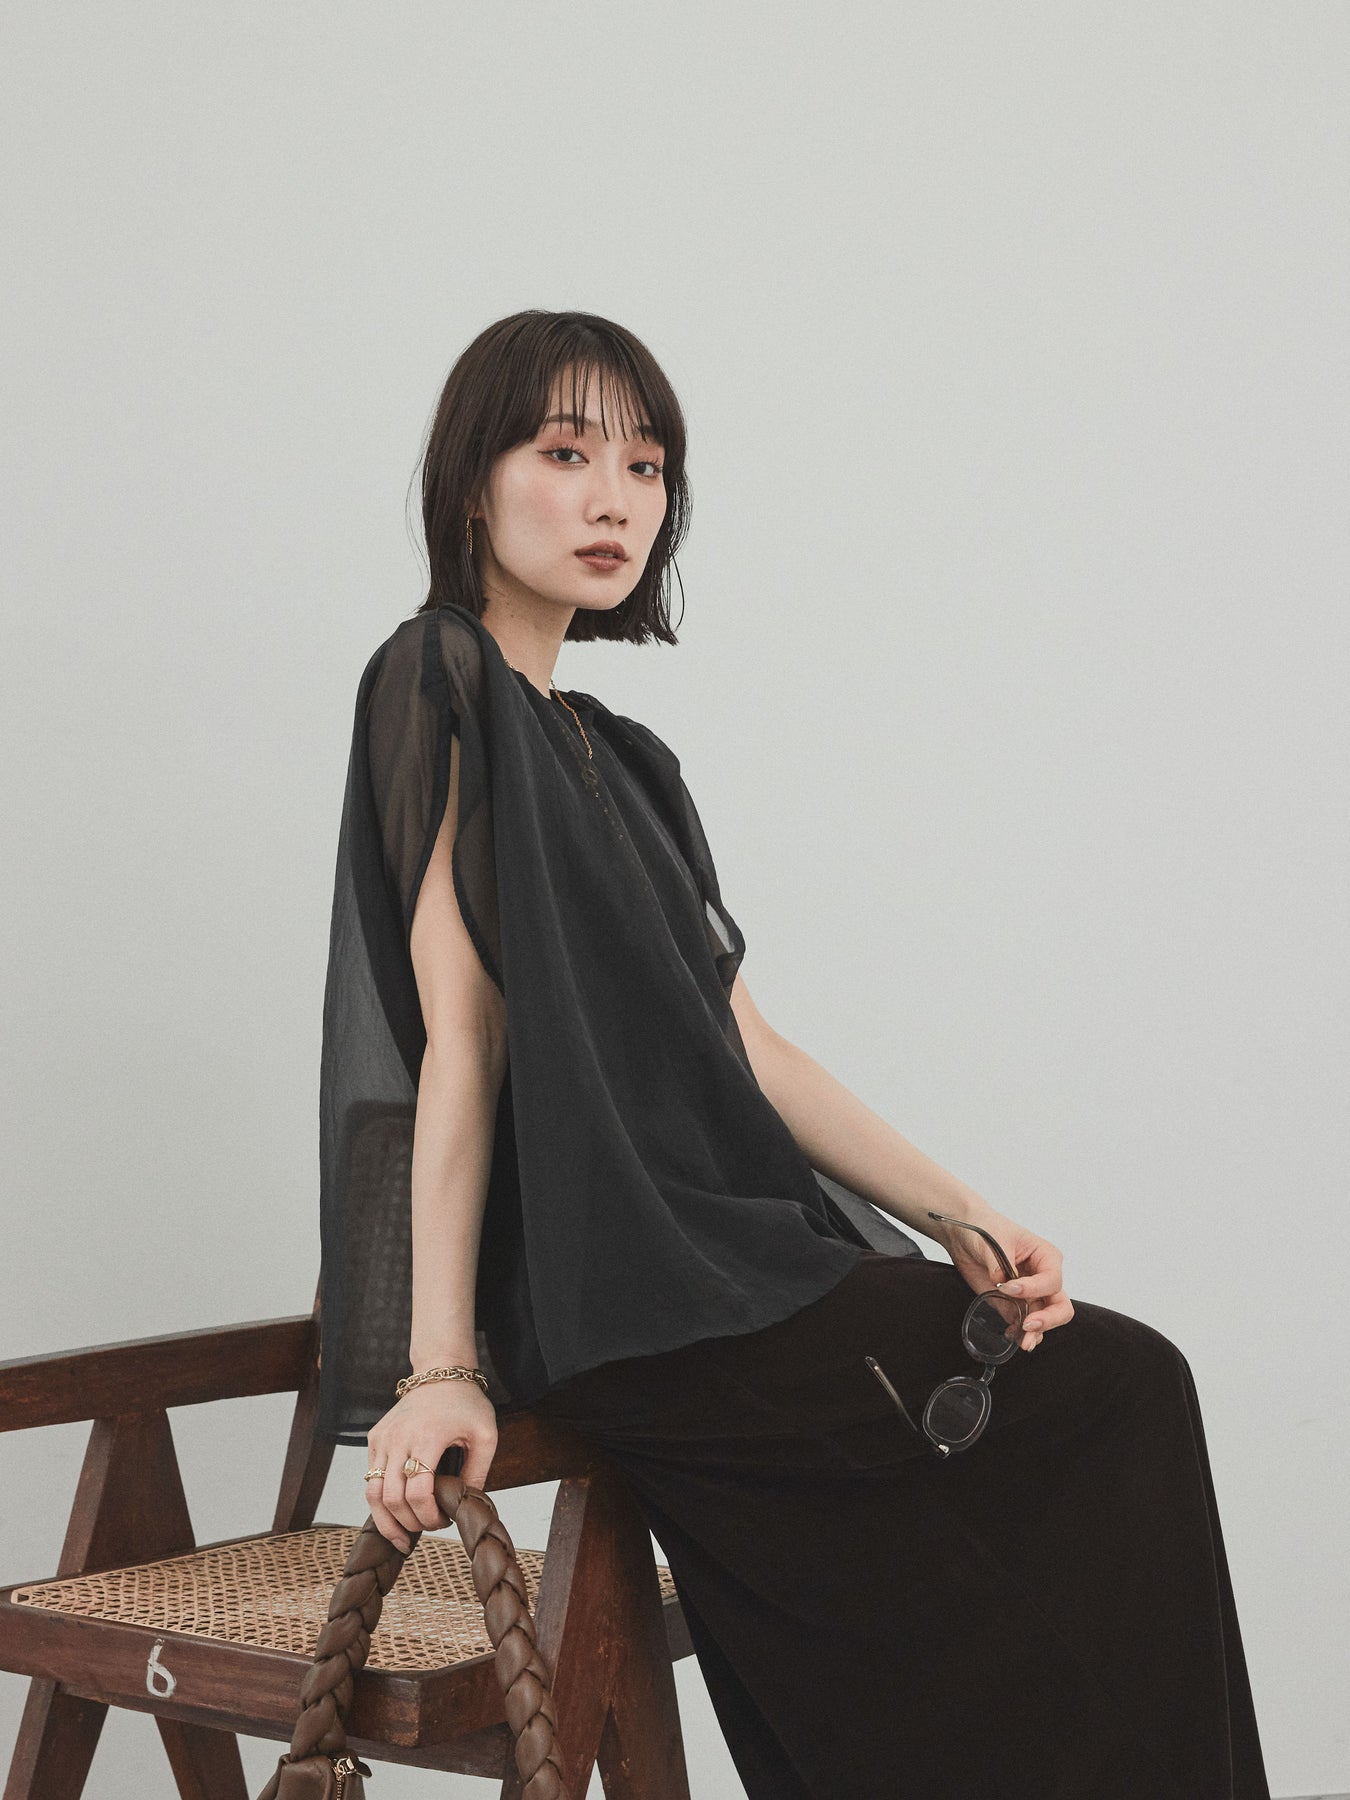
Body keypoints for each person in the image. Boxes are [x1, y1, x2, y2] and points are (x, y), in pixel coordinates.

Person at [317, 309, 1272, 1797]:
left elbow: (750, 1049)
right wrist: (440, 1366)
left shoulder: (632, 765)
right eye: (564, 454)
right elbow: (463, 1040)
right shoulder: (435, 678)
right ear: (471, 486)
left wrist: (966, 1214)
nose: (613, 499)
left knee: (1105, 1411)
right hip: (623, 1291)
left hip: (732, 1263)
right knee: (1111, 1405)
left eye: (645, 466)